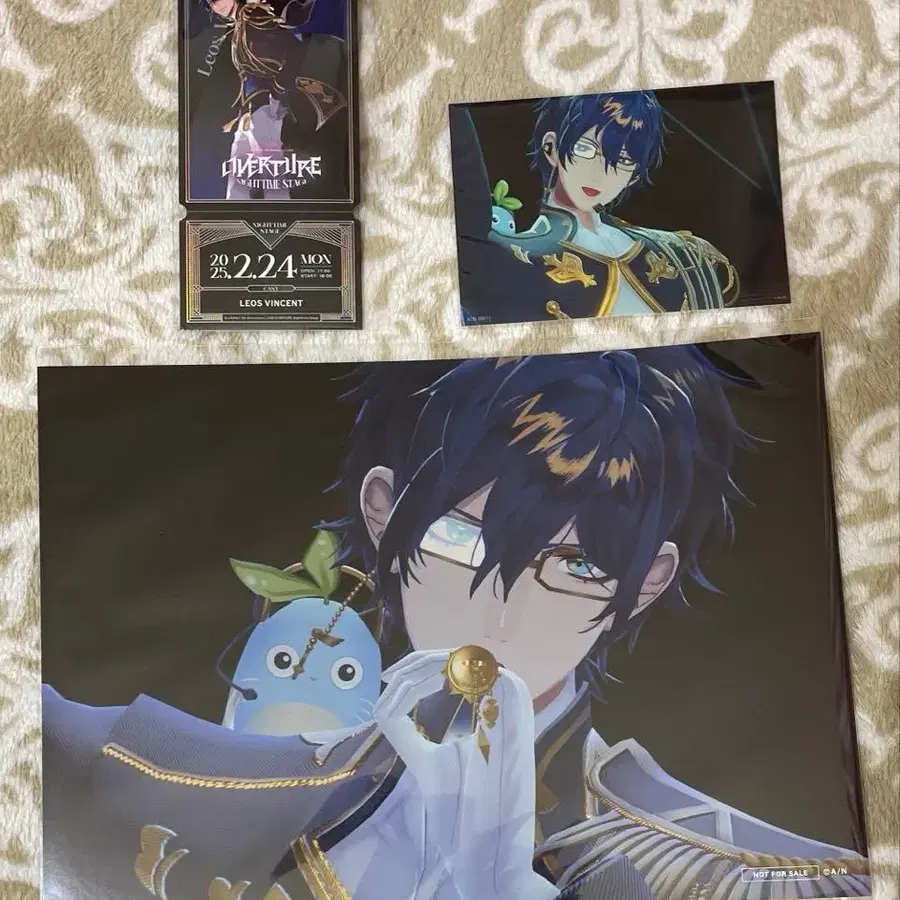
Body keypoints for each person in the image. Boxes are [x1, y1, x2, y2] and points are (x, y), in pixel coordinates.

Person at [42, 347, 871, 900]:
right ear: (382, 510)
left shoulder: (759, 878)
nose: (504, 611)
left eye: (579, 566)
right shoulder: (166, 777)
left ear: (647, 581)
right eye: (460, 538)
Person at [452, 94, 740, 324]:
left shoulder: (683, 254)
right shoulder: (509, 254)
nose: (601, 172)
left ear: (635, 174)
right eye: (586, 149)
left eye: (623, 160)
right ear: (551, 148)